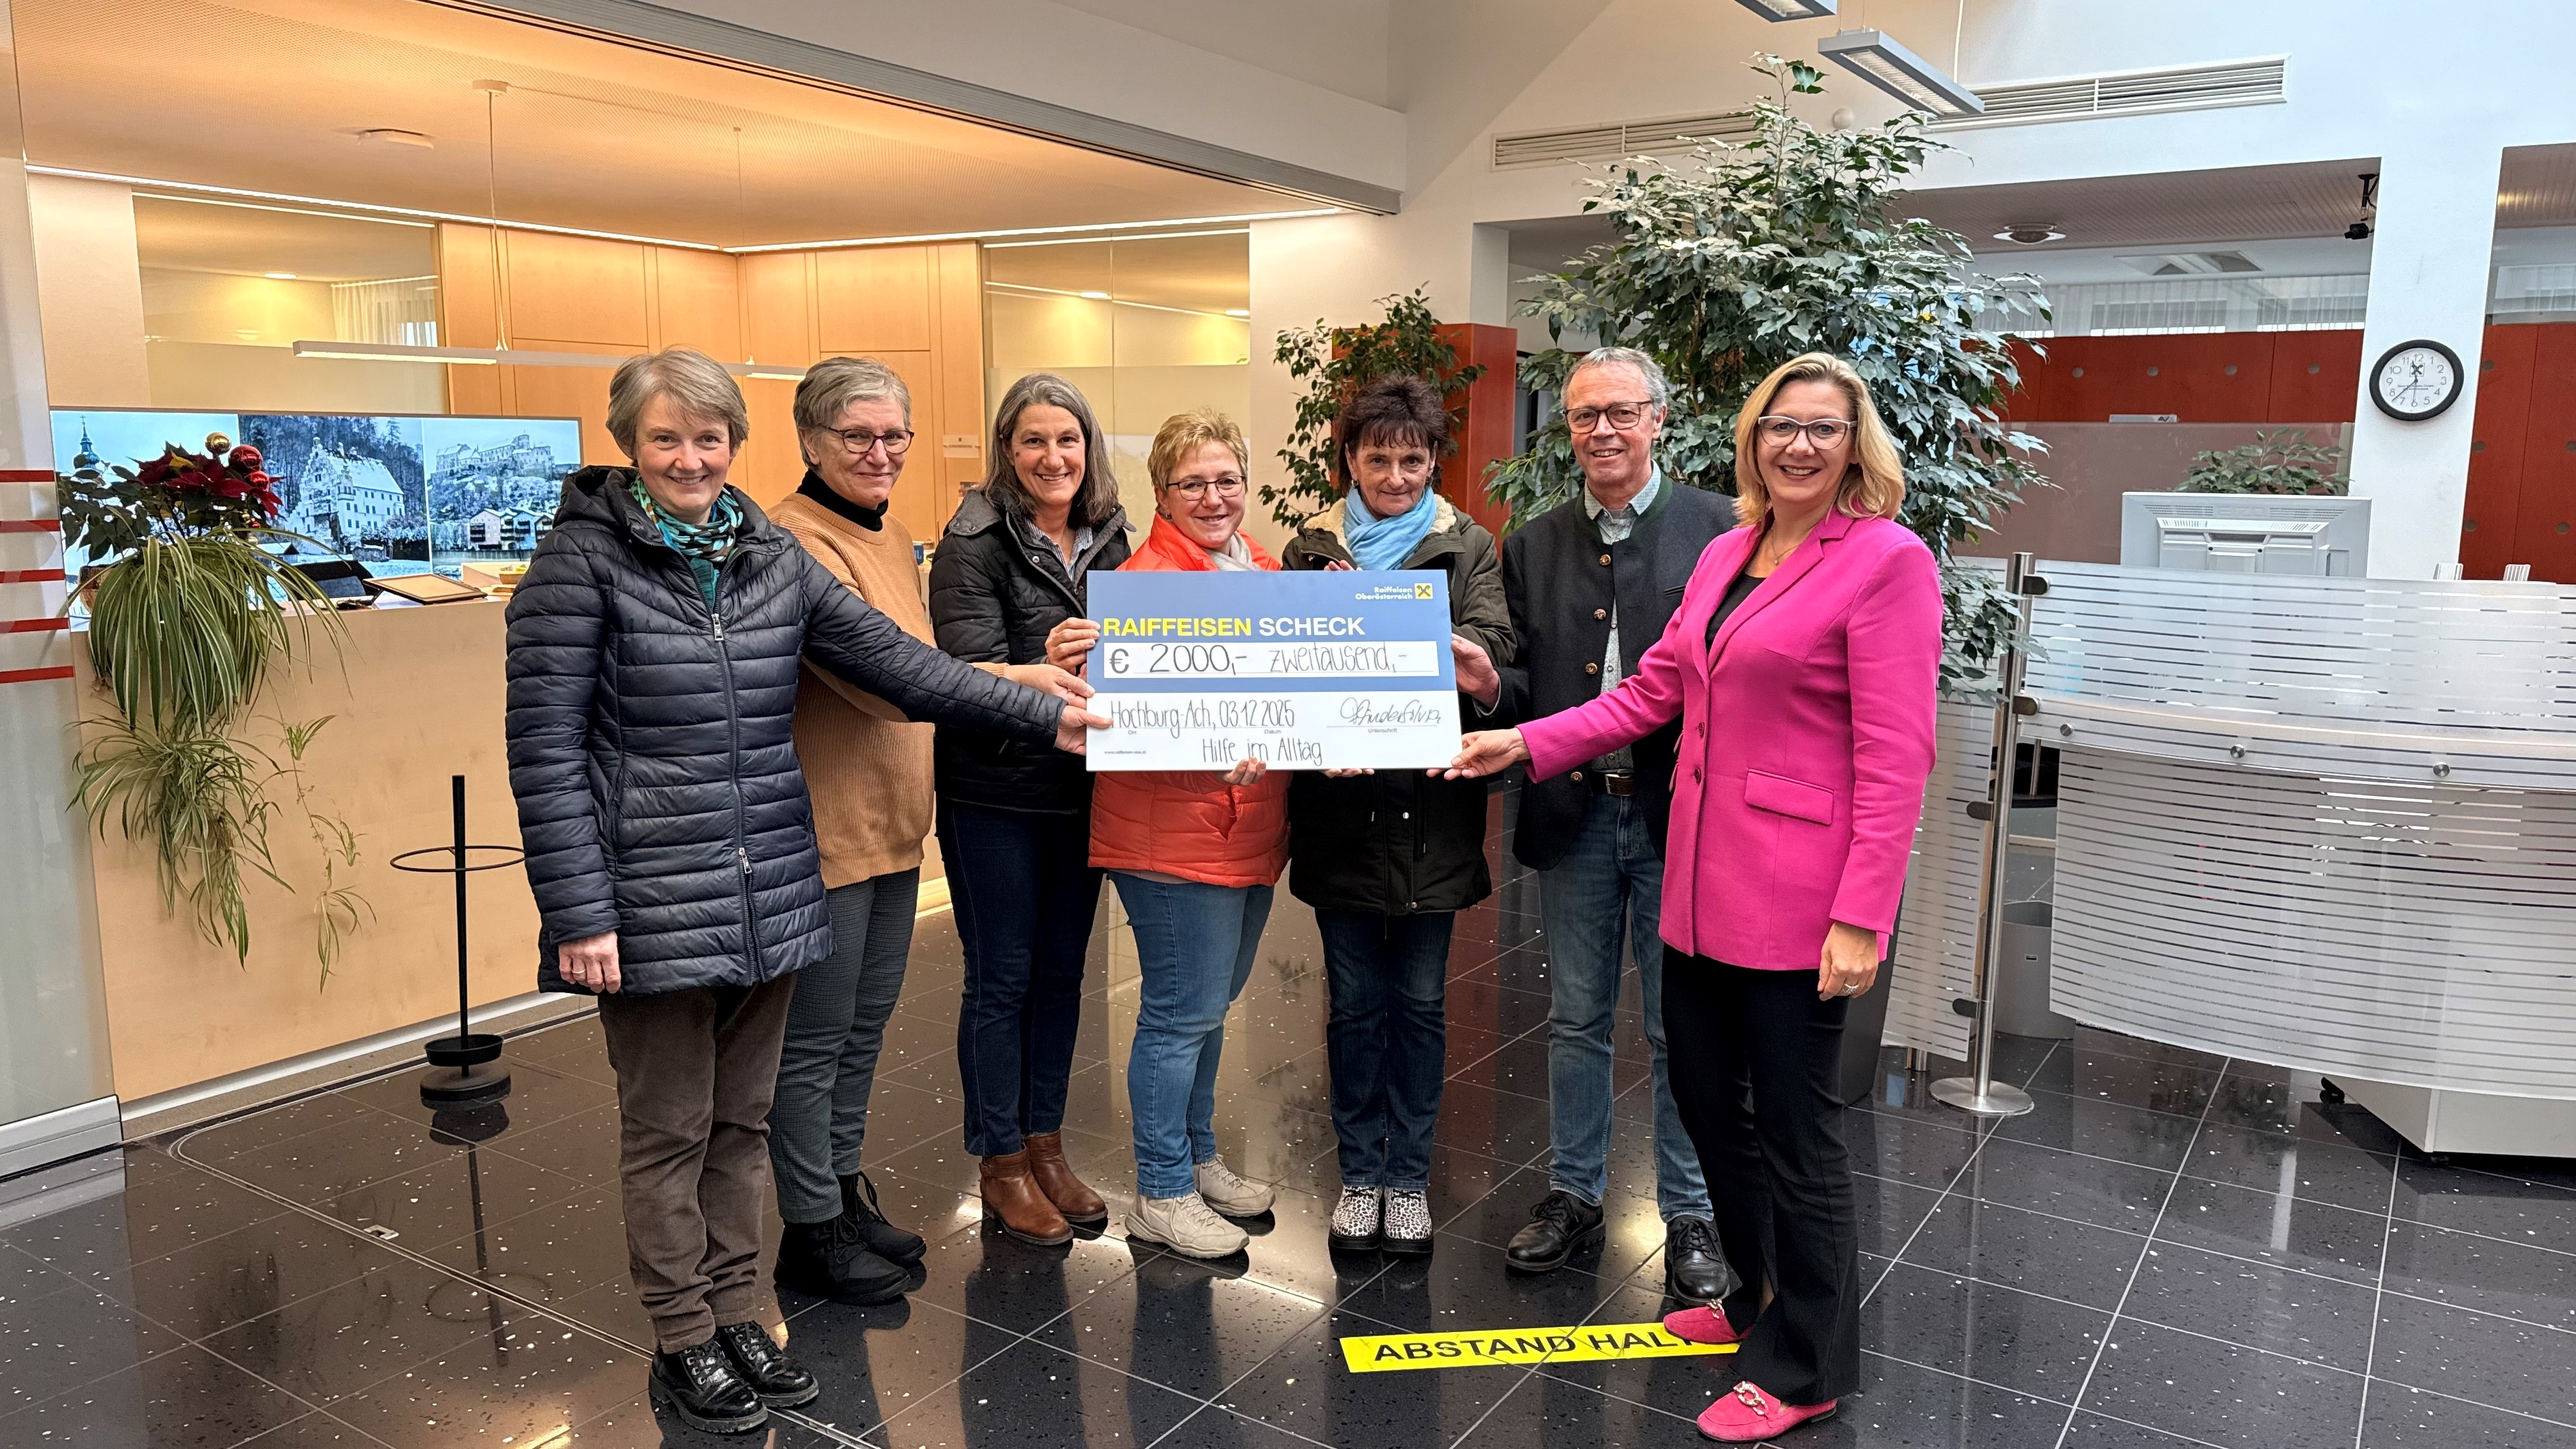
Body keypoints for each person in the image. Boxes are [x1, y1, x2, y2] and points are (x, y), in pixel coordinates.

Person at [505, 348, 1102, 1436]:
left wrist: (1037, 711)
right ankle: (682, 1338)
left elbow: (895, 662)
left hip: (768, 881)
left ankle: (739, 1315)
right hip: (649, 893)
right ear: (630, 445)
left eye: (709, 438)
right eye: (667, 438)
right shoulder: (579, 565)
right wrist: (579, 911)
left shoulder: (764, 551)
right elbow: (545, 756)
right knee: (670, 1131)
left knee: (741, 1123)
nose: (691, 459)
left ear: (736, 444)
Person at [1446, 352, 1942, 1441]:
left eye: (1821, 428)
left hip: (1803, 905)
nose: (1798, 446)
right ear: (1751, 440)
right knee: (1715, 1109)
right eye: (1780, 427)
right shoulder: (1730, 550)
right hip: (1700, 891)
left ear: (1854, 445)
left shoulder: (1887, 562)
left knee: (1799, 1140)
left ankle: (1807, 1367)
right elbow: (1651, 691)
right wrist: (1524, 742)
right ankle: (1752, 1301)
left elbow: (1898, 756)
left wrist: (1863, 915)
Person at [765, 358, 1075, 1304]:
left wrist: (1004, 676)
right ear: (810, 440)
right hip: (826, 831)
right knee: (814, 1043)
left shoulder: (892, 534)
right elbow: (887, 678)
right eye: (856, 435)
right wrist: (1022, 685)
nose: (880, 452)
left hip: (897, 823)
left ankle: (842, 1195)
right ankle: (809, 1227)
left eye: (894, 434)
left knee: (863, 1031)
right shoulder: (793, 542)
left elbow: (923, 662)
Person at [1452, 346, 1733, 1301]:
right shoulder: (1533, 544)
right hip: (1574, 816)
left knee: (1677, 1025)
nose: (1602, 431)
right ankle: (1574, 1195)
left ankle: (1690, 1210)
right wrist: (1490, 688)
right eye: (1583, 416)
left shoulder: (1723, 531)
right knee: (1575, 1020)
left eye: (1620, 412)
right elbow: (1527, 690)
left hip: (1677, 822)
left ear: (1659, 418)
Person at [1282, 373, 1514, 1258]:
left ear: (1432, 462)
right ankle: (1359, 1177)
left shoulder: (1470, 546)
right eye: (1377, 460)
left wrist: (1452, 649)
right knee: (1352, 1007)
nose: (1395, 477)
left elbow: (1495, 647)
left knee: (1417, 1005)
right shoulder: (1309, 551)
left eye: (1412, 461)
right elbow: (1283, 673)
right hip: (1340, 809)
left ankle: (1408, 1179)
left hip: (1431, 811)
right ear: (1349, 458)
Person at [1077, 408, 1287, 1260]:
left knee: (1208, 1010)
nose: (1213, 497)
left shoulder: (1265, 569)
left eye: (1227, 479)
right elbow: (1129, 721)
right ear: (1161, 494)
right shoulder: (1143, 588)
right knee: (1178, 1015)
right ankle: (1160, 1191)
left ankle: (1197, 1159)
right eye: (1191, 483)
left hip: (1247, 828)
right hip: (1171, 836)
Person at [930, 372, 1133, 1246]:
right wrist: (1037, 656)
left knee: (1061, 975)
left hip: (1086, 791)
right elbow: (959, 674)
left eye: (1068, 440)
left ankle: (1046, 1145)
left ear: (1090, 449)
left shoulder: (1115, 537)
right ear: (1007, 451)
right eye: (1034, 441)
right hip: (996, 793)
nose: (1054, 458)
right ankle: (1001, 1161)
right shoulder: (972, 542)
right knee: (1001, 978)